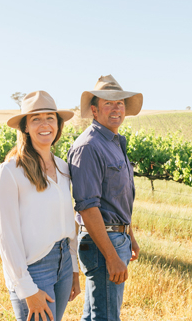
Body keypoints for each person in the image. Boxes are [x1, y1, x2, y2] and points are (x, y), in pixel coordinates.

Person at [0, 91, 81, 321]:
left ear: (58, 124)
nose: (45, 124)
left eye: (50, 118)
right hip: (34, 269)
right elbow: (7, 236)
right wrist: (26, 289)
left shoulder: (63, 169)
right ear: (25, 127)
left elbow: (68, 220)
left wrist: (73, 268)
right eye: (36, 119)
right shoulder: (10, 172)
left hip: (62, 264)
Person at [67, 75, 142, 321]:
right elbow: (88, 208)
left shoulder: (114, 142)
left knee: (94, 316)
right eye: (108, 103)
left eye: (120, 102)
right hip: (103, 243)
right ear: (94, 109)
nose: (116, 107)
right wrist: (111, 255)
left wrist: (128, 235)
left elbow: (114, 199)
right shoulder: (89, 146)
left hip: (115, 237)